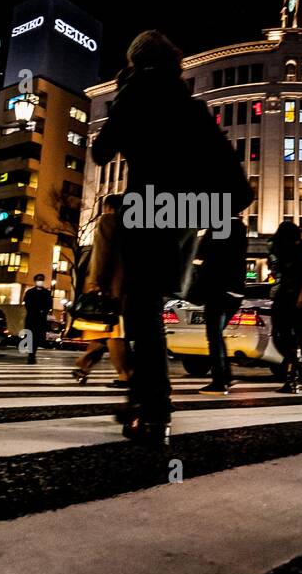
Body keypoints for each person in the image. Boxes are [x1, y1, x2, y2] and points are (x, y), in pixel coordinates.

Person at [92, 30, 253, 443]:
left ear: (134, 62)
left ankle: (154, 410)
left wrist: (125, 95)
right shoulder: (193, 109)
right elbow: (239, 188)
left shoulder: (133, 97)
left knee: (140, 312)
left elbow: (100, 152)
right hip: (181, 218)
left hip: (144, 209)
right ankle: (142, 402)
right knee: (150, 310)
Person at [71, 195, 129, 387]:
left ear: (109, 207)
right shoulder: (131, 226)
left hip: (108, 286)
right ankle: (84, 365)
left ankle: (125, 374)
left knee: (112, 331)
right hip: (124, 286)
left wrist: (96, 281)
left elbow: (101, 254)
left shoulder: (108, 221)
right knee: (104, 331)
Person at [189, 215, 248, 395]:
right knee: (217, 334)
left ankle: (220, 380)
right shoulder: (240, 229)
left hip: (217, 288)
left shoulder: (217, 226)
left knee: (213, 335)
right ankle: (225, 376)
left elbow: (200, 253)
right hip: (235, 289)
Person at [268, 221, 302, 394]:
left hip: (283, 297)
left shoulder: (276, 247)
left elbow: (274, 271)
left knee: (279, 336)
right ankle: (297, 372)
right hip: (300, 299)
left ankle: (295, 371)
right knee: (297, 337)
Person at [22, 274, 53, 365]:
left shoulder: (46, 293)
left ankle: (32, 354)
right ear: (35, 281)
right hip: (31, 317)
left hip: (40, 318)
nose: (40, 281)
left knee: (37, 337)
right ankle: (31, 354)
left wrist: (43, 311)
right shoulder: (30, 292)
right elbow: (27, 304)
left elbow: (49, 305)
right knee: (30, 336)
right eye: (39, 279)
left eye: (42, 279)